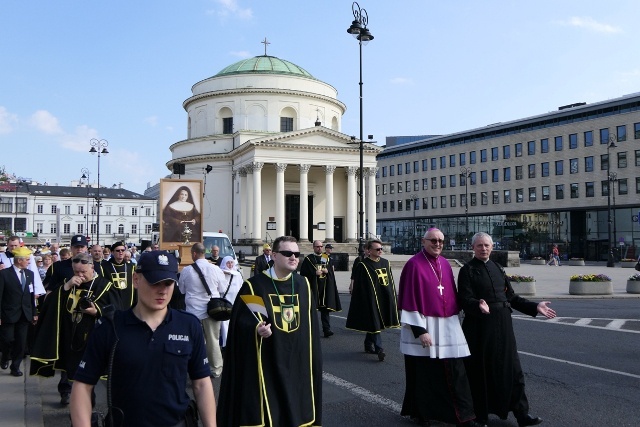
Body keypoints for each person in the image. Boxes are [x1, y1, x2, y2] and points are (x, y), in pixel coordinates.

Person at [70, 250, 217, 427]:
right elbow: (83, 385)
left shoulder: (189, 325)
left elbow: (201, 383)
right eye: (155, 282)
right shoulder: (111, 326)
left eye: (169, 283)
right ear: (136, 280)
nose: (162, 290)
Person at [217, 236, 322, 426]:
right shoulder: (255, 286)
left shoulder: (303, 285)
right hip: (268, 359)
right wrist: (256, 328)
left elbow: (311, 326)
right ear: (273, 255)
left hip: (297, 359)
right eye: (287, 253)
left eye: (297, 254)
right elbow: (243, 320)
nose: (293, 257)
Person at [457, 232, 557, 427]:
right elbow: (464, 299)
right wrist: (478, 305)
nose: (483, 248)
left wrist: (534, 307)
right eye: (479, 246)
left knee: (512, 369)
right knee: (481, 372)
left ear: (492, 247)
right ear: (473, 248)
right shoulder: (467, 271)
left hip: (503, 326)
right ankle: (480, 416)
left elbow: (510, 297)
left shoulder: (498, 268)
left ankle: (522, 414)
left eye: (486, 245)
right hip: (479, 328)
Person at [398, 229, 484, 427]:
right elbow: (409, 298)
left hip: (448, 323)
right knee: (423, 373)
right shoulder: (413, 265)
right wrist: (420, 331)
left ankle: (464, 416)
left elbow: (452, 293)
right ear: (423, 241)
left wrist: (474, 304)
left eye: (441, 241)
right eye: (433, 240)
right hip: (424, 324)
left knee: (455, 369)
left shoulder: (445, 263)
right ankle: (422, 413)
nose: (437, 244)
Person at [30, 252, 115, 405]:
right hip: (69, 338)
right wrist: (66, 287)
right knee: (73, 379)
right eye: (76, 272)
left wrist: (97, 311)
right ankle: (74, 409)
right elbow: (49, 305)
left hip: (91, 340)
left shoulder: (104, 285)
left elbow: (116, 310)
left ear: (92, 267)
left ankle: (87, 414)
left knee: (87, 383)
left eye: (84, 272)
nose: (80, 275)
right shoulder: (67, 283)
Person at [346, 239, 400, 361]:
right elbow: (361, 286)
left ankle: (368, 344)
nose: (380, 251)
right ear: (369, 251)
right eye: (377, 249)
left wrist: (391, 296)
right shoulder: (363, 265)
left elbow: (389, 282)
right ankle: (379, 349)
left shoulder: (386, 263)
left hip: (383, 296)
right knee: (375, 322)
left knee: (374, 323)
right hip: (370, 299)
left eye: (381, 249)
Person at [178, 243, 227, 378]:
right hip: (213, 310)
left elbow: (181, 290)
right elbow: (223, 289)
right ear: (204, 253)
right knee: (213, 340)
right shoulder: (216, 269)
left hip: (193, 311)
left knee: (193, 341)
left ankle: (195, 368)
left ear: (194, 254)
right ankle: (216, 369)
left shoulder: (187, 270)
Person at [0, 246, 38, 377]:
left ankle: (15, 367)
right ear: (19, 260)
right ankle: (5, 356)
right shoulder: (4, 274)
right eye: (27, 259)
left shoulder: (29, 274)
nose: (29, 262)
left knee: (21, 343)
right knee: (8, 339)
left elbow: (31, 294)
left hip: (25, 314)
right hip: (8, 313)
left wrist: (34, 312)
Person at [300, 240, 342, 338]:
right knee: (312, 311)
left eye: (321, 246)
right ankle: (311, 330)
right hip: (314, 288)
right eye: (317, 246)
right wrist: (313, 273)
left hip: (324, 288)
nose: (319, 248)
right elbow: (303, 273)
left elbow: (331, 272)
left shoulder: (325, 258)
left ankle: (326, 329)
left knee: (325, 310)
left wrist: (328, 271)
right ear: (313, 247)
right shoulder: (309, 259)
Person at [100, 241, 136, 311]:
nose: (121, 252)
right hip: (112, 304)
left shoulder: (131, 267)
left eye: (122, 250)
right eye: (118, 250)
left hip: (128, 303)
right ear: (112, 252)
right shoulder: (104, 267)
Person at [218, 255, 242, 349]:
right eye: (228, 263)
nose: (230, 264)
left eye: (231, 262)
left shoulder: (238, 274)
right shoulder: (221, 273)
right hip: (225, 302)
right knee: (224, 324)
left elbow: (240, 287)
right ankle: (225, 344)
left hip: (235, 301)